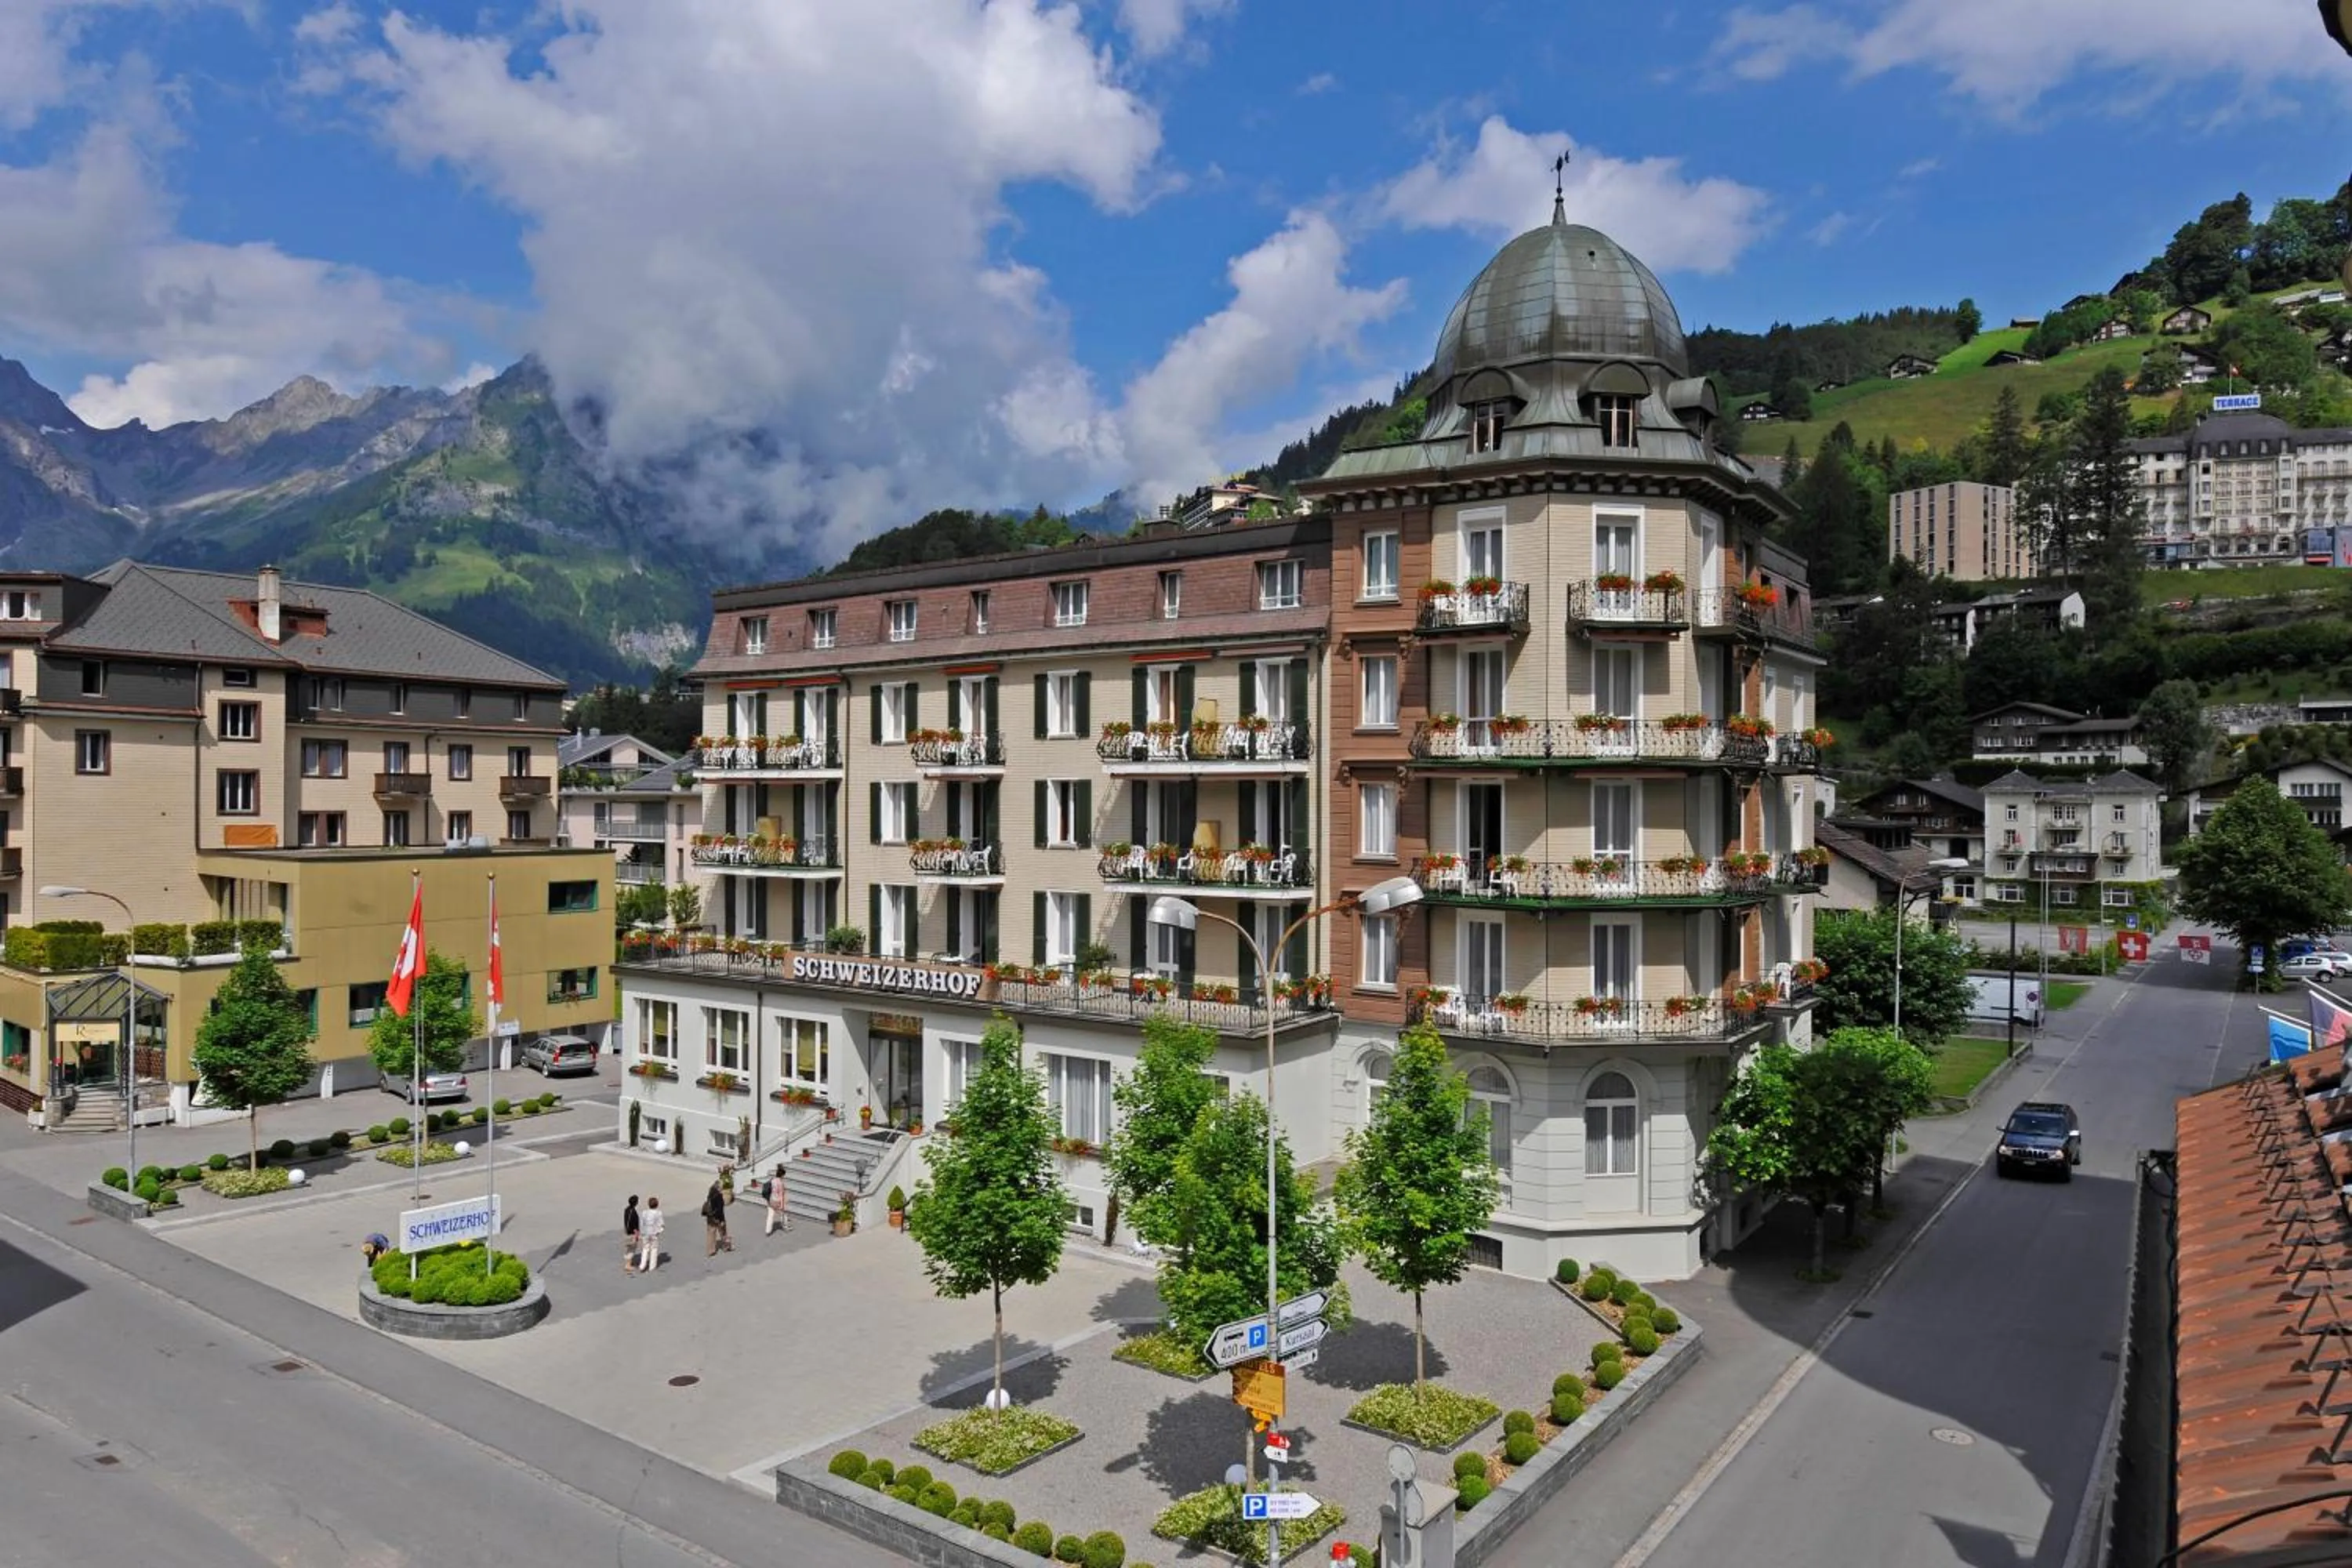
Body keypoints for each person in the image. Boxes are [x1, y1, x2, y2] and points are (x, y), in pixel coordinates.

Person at [702, 1176, 733, 1255]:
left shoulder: (711, 1191)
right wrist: (722, 1220)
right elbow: (720, 1210)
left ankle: (710, 1250)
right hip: (717, 1217)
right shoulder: (719, 1196)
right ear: (719, 1187)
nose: (723, 1188)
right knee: (723, 1232)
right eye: (722, 1187)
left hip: (710, 1216)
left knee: (711, 1233)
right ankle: (726, 1247)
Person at [638, 1195, 664, 1272]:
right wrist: (659, 1231)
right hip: (654, 1233)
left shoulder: (644, 1213)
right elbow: (661, 1224)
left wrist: (642, 1232)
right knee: (654, 1249)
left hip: (645, 1233)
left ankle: (642, 1265)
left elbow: (641, 1223)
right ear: (657, 1205)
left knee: (645, 1249)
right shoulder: (658, 1213)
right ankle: (652, 1266)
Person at [764, 1163, 792, 1236]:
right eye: (783, 1175)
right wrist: (782, 1204)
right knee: (783, 1214)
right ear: (782, 1175)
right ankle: (786, 1226)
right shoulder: (780, 1183)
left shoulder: (772, 1180)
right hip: (777, 1201)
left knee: (770, 1215)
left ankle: (768, 1231)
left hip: (770, 1200)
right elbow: (781, 1195)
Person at [622, 1193, 641, 1274]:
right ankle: (628, 1265)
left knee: (628, 1248)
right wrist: (637, 1234)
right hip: (632, 1233)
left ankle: (627, 1263)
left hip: (626, 1232)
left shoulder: (627, 1209)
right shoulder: (633, 1212)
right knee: (631, 1249)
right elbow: (634, 1225)